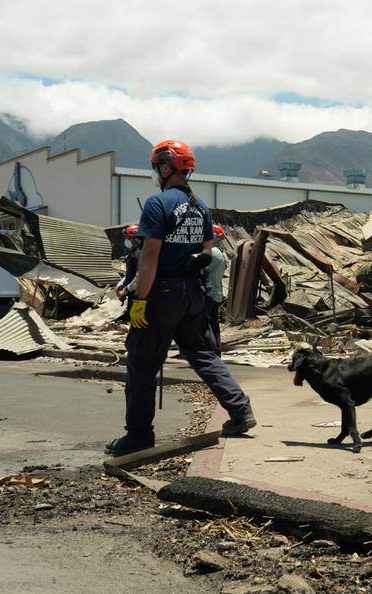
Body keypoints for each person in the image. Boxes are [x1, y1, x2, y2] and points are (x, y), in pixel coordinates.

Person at [105, 140, 256, 456]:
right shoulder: (201, 207)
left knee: (143, 364)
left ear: (164, 167)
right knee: (204, 355)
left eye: (157, 167)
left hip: (161, 295)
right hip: (193, 295)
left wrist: (140, 299)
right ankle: (240, 410)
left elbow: (149, 256)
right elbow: (206, 252)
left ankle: (138, 436)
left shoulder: (157, 205)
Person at [205, 223, 228, 353]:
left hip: (209, 294)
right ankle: (215, 351)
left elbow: (200, 269)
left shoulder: (213, 252)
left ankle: (208, 352)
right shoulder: (220, 253)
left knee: (204, 325)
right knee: (213, 325)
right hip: (215, 293)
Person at [115, 224, 141, 303]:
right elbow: (130, 274)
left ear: (136, 239)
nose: (126, 241)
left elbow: (140, 276)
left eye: (128, 238)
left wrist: (126, 290)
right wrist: (120, 285)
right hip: (133, 290)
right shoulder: (133, 254)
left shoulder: (142, 254)